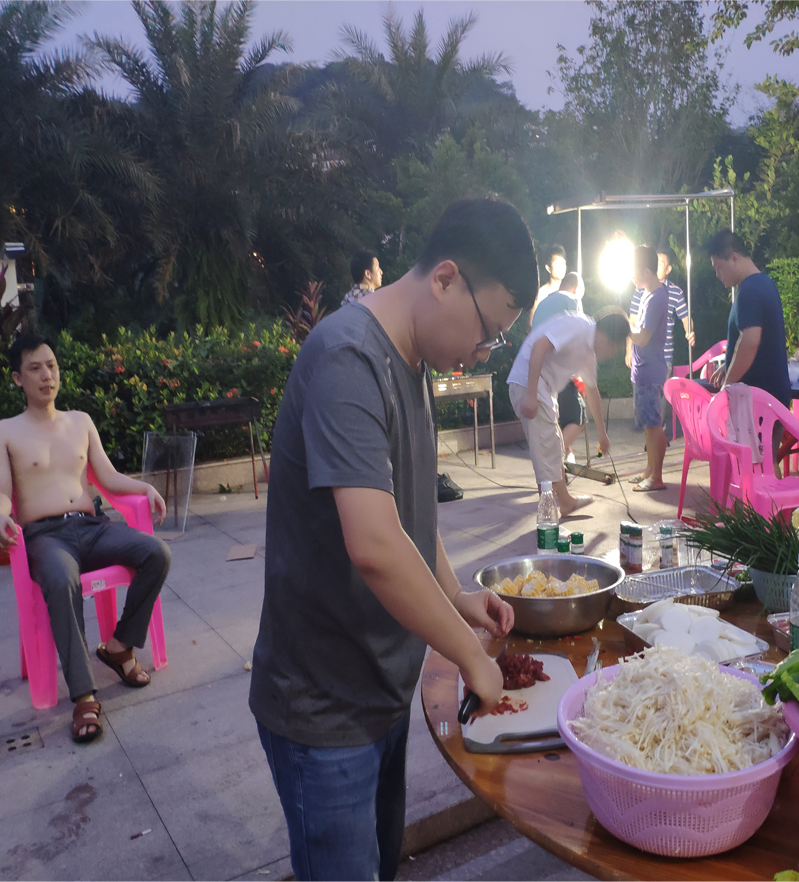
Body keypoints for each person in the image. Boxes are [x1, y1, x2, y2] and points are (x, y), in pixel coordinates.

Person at [249, 199, 535, 882]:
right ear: (443, 279)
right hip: (323, 708)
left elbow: (408, 520)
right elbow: (375, 545)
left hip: (378, 690)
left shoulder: (409, 362)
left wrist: (457, 596)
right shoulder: (349, 358)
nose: (481, 352)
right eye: (487, 332)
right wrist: (469, 654)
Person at [0, 333, 171, 744]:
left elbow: (106, 477)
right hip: (46, 537)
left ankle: (120, 645)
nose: (46, 375)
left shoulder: (81, 421)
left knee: (156, 553)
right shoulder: (3, 432)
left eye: (51, 365)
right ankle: (85, 696)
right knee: (59, 579)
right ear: (18, 378)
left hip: (92, 526)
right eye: (35, 368)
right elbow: (0, 490)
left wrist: (143, 488)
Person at [508, 309, 630, 516]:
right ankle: (549, 514)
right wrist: (530, 394)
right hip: (530, 383)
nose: (612, 354)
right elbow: (539, 345)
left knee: (553, 446)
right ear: (608, 340)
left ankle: (565, 502)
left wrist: (603, 435)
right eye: (615, 349)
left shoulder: (588, 353)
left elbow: (592, 392)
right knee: (545, 450)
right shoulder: (578, 326)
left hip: (543, 389)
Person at [704, 230, 792, 407]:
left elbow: (750, 341)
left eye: (719, 267)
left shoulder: (749, 292)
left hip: (758, 399)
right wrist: (728, 365)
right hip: (773, 395)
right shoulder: (765, 283)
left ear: (734, 258)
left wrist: (727, 385)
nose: (717, 274)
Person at [628, 246, 696, 440]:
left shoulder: (664, 294)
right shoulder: (641, 292)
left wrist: (689, 331)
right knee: (647, 418)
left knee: (654, 418)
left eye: (661, 263)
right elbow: (634, 321)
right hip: (642, 362)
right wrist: (628, 350)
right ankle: (652, 459)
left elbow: (684, 317)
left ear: (668, 269)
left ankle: (656, 461)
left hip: (657, 360)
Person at [530, 272, 585, 463]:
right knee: (578, 415)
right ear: (576, 288)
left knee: (555, 420)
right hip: (558, 369)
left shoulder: (544, 302)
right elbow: (575, 335)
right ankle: (556, 461)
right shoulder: (572, 300)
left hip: (536, 370)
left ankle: (556, 464)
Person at [627, 245, 669, 491]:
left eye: (634, 270)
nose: (632, 275)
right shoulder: (647, 294)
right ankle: (650, 470)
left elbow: (642, 338)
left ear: (645, 270)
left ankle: (657, 477)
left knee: (653, 425)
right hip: (643, 369)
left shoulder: (656, 298)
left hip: (651, 369)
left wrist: (623, 327)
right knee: (648, 424)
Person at [529, 243, 566, 320]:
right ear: (548, 267)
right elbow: (532, 322)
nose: (561, 267)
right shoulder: (542, 293)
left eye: (563, 263)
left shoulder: (569, 291)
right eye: (557, 263)